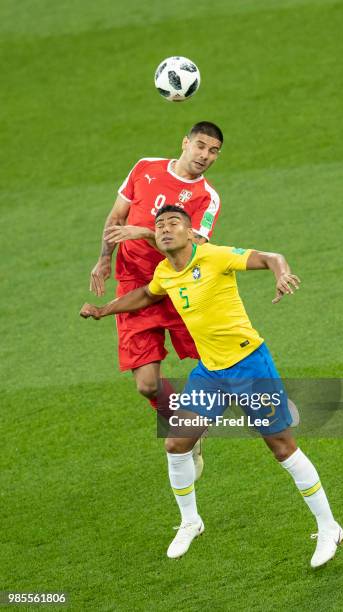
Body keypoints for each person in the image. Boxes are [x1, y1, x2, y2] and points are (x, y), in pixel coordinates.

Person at [80, 206, 343, 568]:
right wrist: (103, 310)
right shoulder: (164, 271)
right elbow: (147, 295)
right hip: (211, 372)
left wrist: (282, 274)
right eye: (159, 225)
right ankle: (191, 521)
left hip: (249, 365)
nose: (165, 229)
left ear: (191, 233)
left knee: (282, 448)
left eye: (174, 223)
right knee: (176, 442)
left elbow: (271, 257)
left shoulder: (214, 255)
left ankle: (329, 526)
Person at [89, 121, 224, 478]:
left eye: (213, 151)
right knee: (147, 385)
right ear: (185, 143)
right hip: (135, 285)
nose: (205, 156)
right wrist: (105, 259)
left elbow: (192, 247)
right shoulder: (145, 167)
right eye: (200, 146)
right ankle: (188, 432)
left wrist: (145, 232)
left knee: (220, 361)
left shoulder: (207, 198)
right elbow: (116, 217)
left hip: (179, 285)